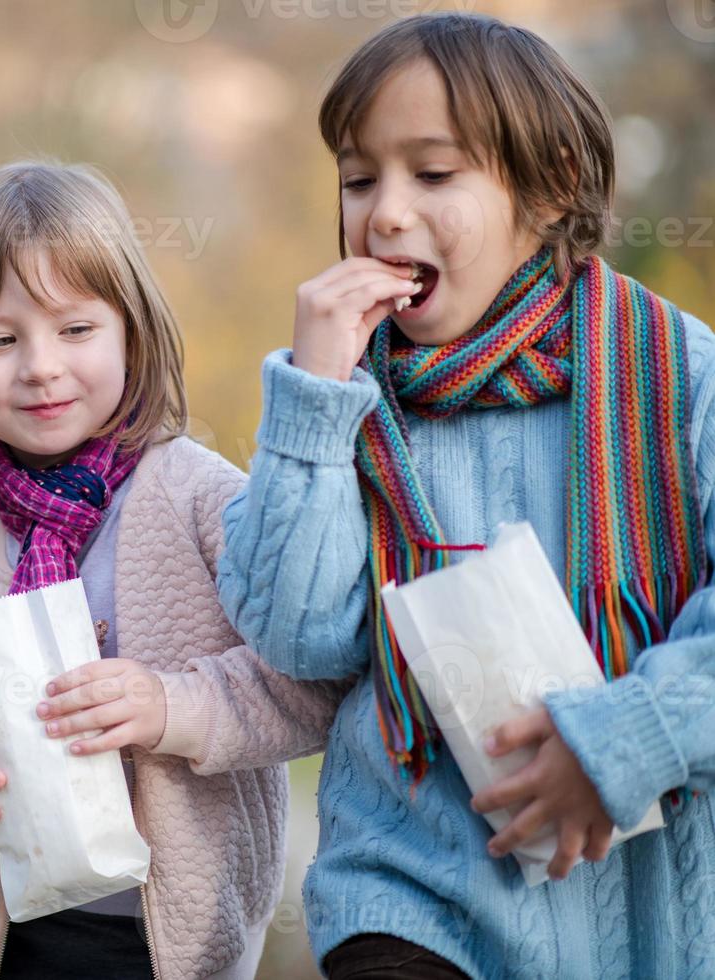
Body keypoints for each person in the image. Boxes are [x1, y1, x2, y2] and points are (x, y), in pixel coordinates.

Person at [218, 13, 715, 979]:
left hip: (647, 912)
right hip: (407, 897)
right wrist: (317, 399)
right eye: (360, 179)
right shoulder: (342, 397)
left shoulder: (680, 377)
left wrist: (616, 742)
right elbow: (298, 634)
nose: (386, 213)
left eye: (434, 174)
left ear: (553, 181)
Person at [0, 159, 348, 980]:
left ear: (132, 330)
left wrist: (169, 706)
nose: (41, 366)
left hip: (166, 948)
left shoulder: (203, 499)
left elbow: (310, 685)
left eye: (76, 330)